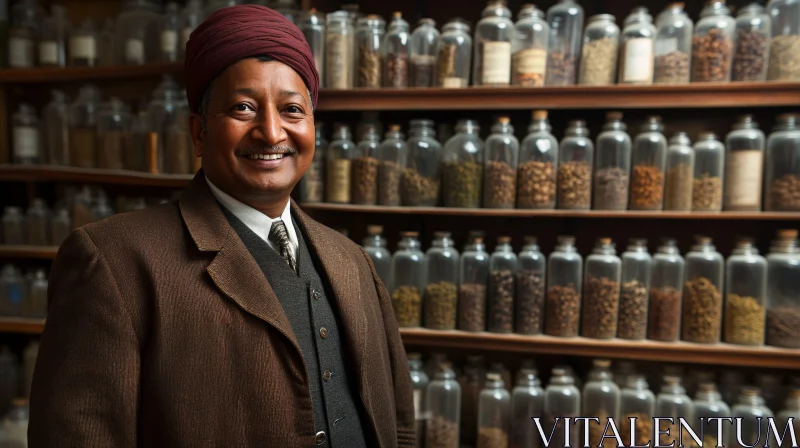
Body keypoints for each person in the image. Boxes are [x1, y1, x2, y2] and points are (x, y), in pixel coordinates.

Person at [28, 5, 415, 447]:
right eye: (243, 108)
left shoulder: (353, 261)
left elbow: (399, 426)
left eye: (292, 109)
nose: (271, 133)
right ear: (198, 132)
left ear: (313, 127)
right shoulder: (114, 262)